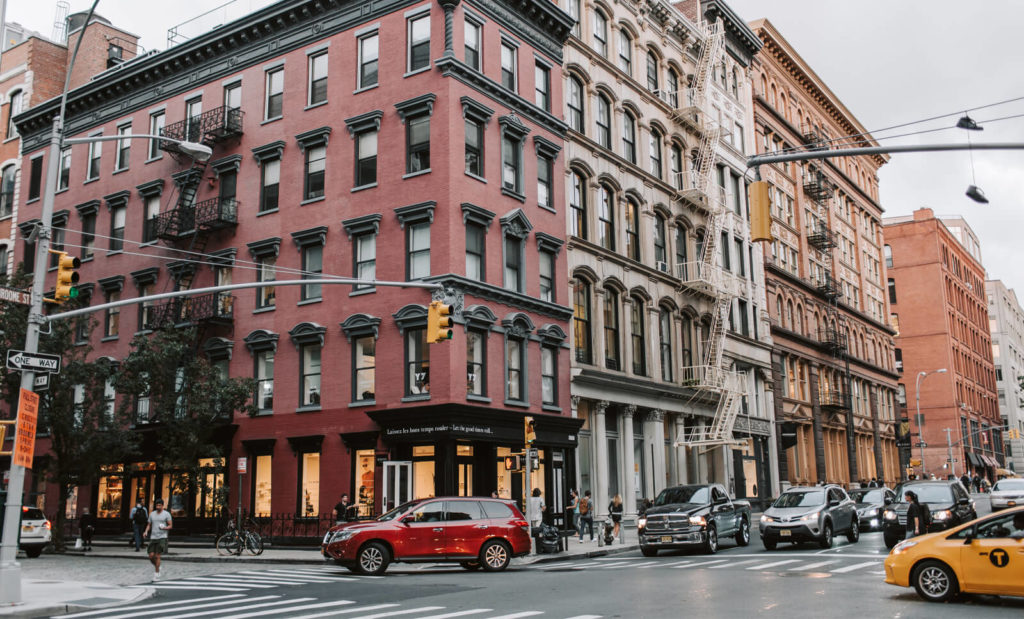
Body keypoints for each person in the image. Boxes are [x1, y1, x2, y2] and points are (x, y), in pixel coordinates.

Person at [144, 498, 172, 581]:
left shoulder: (166, 514)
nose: (158, 507)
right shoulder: (152, 514)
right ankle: (158, 566)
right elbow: (149, 524)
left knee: (157, 555)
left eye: (160, 505)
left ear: (163, 506)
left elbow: (170, 525)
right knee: (151, 556)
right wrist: (145, 531)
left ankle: (156, 574)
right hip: (153, 537)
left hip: (162, 537)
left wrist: (165, 527)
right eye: (157, 505)